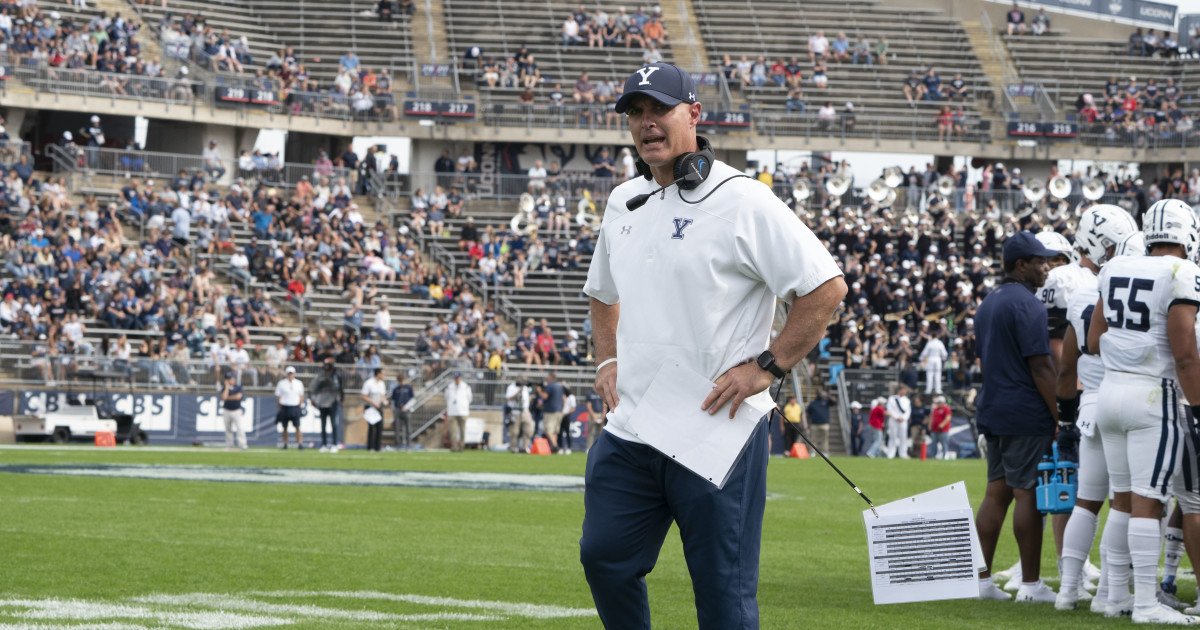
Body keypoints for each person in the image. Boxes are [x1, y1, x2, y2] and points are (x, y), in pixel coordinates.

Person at [580, 61, 846, 628]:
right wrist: (607, 357)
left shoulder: (743, 200)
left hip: (717, 426)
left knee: (723, 597)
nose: (646, 123)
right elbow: (601, 293)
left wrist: (767, 368)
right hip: (634, 425)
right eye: (635, 113)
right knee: (603, 558)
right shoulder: (624, 200)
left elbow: (825, 287)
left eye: (659, 109)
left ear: (694, 115)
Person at [1087, 200, 1200, 624]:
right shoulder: (1182, 272)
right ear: (1187, 231)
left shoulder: (1113, 267)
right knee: (1148, 501)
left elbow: (1094, 339)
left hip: (1110, 393)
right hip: (1155, 396)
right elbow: (1185, 353)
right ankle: (1146, 605)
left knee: (1123, 500)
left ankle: (1114, 596)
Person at [1052, 206, 1138, 612]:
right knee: (1127, 501)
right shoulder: (1137, 289)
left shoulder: (1082, 293)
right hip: (1131, 403)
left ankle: (1068, 591)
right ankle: (1111, 593)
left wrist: (1066, 417)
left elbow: (1066, 365)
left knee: (1086, 501)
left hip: (1089, 405)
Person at [973, 231, 1061, 603]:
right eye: (1040, 261)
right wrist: (1061, 413)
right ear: (1020, 265)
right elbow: (1040, 366)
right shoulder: (1028, 304)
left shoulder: (988, 303)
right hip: (1024, 410)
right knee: (1028, 495)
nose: (1047, 267)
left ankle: (979, 580)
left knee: (996, 493)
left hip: (993, 406)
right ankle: (1030, 584)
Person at [309, 357, 344, 453]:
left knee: (333, 424)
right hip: (323, 402)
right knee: (323, 424)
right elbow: (315, 388)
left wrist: (341, 399)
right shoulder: (320, 376)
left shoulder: (336, 376)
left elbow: (340, 388)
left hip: (332, 402)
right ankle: (324, 444)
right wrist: (314, 399)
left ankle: (334, 444)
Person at [275, 366, 305, 449]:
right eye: (289, 373)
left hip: (295, 406)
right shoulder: (281, 383)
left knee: (297, 426)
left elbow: (301, 395)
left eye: (291, 373)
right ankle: (285, 443)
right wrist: (279, 406)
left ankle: (300, 443)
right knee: (284, 427)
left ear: (294, 374)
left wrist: (301, 405)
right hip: (285, 406)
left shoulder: (299, 383)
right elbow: (278, 396)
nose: (290, 375)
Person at [444, 371, 472, 452]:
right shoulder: (450, 387)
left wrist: (463, 405)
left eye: (458, 378)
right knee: (453, 431)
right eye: (455, 378)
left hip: (463, 411)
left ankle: (461, 446)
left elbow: (470, 398)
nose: (456, 380)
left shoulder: (466, 387)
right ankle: (454, 446)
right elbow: (446, 397)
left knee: (462, 430)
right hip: (452, 411)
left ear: (460, 378)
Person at [362, 367, 388, 452]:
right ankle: (370, 447)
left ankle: (378, 447)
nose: (384, 375)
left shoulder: (382, 384)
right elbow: (364, 396)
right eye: (382, 373)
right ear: (378, 374)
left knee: (379, 427)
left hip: (379, 407)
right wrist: (373, 402)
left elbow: (382, 395)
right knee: (372, 427)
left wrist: (384, 401)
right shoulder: (369, 383)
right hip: (370, 407)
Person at [220, 371, 247, 451]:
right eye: (228, 379)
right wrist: (227, 388)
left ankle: (242, 444)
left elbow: (238, 397)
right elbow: (224, 397)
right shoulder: (224, 388)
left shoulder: (238, 387)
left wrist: (229, 397)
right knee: (228, 429)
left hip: (236, 410)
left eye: (231, 378)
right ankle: (229, 445)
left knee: (239, 428)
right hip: (226, 410)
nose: (230, 380)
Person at [883, 384, 912, 459]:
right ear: (899, 390)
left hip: (903, 421)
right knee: (893, 437)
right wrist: (896, 417)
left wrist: (903, 418)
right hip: (893, 420)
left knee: (903, 438)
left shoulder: (907, 400)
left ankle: (903, 454)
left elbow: (908, 411)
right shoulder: (892, 399)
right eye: (903, 390)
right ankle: (891, 453)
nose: (904, 392)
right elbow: (889, 409)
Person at [541, 371, 567, 453]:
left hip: (550, 411)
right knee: (555, 431)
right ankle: (554, 448)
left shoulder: (550, 386)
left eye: (548, 377)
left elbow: (545, 396)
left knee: (548, 430)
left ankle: (555, 447)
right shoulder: (560, 387)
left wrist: (539, 391)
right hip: (559, 411)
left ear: (551, 378)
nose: (546, 379)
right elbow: (564, 399)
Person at [506, 380, 534, 453]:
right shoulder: (511, 387)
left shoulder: (526, 388)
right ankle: (513, 447)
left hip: (525, 410)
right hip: (515, 411)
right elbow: (508, 398)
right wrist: (518, 391)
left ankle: (525, 447)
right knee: (514, 431)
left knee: (527, 430)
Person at [390, 373, 415, 449]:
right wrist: (394, 409)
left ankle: (409, 444)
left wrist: (406, 407)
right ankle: (397, 443)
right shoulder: (396, 389)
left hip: (406, 410)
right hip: (397, 410)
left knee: (408, 428)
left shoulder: (409, 388)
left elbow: (413, 399)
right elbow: (393, 401)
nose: (401, 382)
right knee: (397, 428)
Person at [920, 329, 948, 395]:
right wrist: (944, 359)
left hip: (931, 359)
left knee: (930, 374)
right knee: (938, 374)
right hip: (938, 360)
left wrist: (921, 358)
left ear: (932, 336)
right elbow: (944, 354)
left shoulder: (930, 343)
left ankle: (928, 389)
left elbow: (925, 352)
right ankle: (938, 389)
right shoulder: (939, 343)